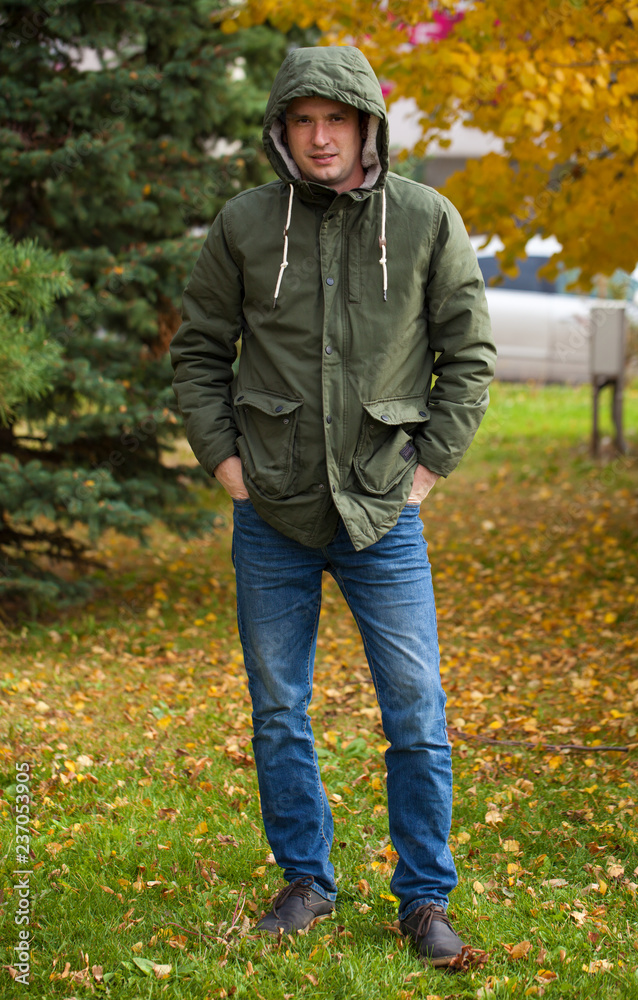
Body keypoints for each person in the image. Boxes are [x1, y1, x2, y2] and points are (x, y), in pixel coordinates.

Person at [170, 44, 496, 967]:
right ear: (284, 129)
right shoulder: (243, 223)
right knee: (279, 706)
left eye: (337, 120)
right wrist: (227, 465)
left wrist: (426, 470)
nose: (321, 137)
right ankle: (306, 881)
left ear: (366, 128)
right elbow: (198, 351)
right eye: (304, 120)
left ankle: (424, 900)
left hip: (382, 511)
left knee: (415, 711)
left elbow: (466, 356)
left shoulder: (426, 219)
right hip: (267, 508)